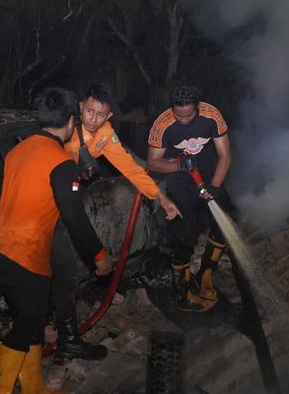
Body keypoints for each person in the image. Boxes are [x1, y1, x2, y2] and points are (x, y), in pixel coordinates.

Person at [0, 87, 113, 394]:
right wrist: (98, 254)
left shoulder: (18, 151)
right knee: (24, 328)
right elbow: (74, 216)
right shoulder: (59, 162)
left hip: (4, 248)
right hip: (24, 254)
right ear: (71, 121)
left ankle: (33, 390)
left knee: (34, 322)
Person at [50, 83, 181, 360]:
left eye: (100, 115)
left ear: (108, 117)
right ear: (80, 106)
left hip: (68, 200)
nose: (93, 119)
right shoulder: (63, 128)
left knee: (66, 265)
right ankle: (56, 329)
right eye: (89, 111)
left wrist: (160, 197)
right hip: (47, 198)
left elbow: (131, 168)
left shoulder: (105, 135)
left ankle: (65, 334)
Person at [147, 84, 233, 313]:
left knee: (226, 220)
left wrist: (214, 188)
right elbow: (153, 162)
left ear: (198, 106)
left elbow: (225, 155)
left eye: (188, 114)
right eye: (178, 115)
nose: (183, 120)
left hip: (210, 173)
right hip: (180, 178)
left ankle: (206, 274)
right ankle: (181, 290)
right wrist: (177, 165)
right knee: (184, 230)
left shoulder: (211, 115)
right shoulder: (163, 124)